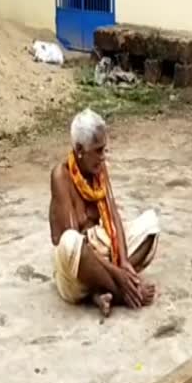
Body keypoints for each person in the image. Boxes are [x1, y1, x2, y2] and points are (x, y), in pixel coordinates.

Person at [49, 108, 160, 316]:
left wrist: (125, 261)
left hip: (102, 255)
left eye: (104, 149)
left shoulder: (98, 169)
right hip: (75, 271)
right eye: (98, 151)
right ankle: (123, 293)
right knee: (71, 242)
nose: (103, 157)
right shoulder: (61, 176)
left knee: (150, 225)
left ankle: (100, 291)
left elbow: (113, 214)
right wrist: (118, 274)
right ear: (80, 150)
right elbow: (76, 244)